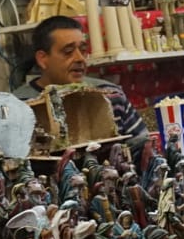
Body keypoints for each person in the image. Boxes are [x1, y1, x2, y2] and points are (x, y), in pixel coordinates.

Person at [14, 15, 150, 151]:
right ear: (43, 59)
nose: (80, 58)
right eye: (68, 52)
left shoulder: (111, 94)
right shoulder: (15, 107)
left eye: (83, 50)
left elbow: (143, 149)